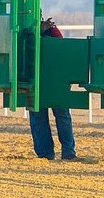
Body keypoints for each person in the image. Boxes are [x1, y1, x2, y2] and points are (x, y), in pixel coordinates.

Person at [29, 13, 78, 161]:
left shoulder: (53, 31)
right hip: (38, 82)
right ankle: (45, 153)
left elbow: (62, 52)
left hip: (55, 81)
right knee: (39, 118)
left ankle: (68, 152)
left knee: (61, 117)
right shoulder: (24, 35)